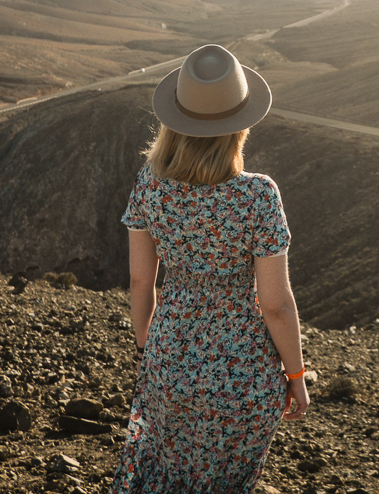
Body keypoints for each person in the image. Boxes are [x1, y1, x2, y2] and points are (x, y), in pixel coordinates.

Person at [109, 44, 309, 494]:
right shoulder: (259, 195)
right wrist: (296, 377)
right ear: (239, 126)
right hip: (245, 378)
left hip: (168, 362)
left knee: (166, 479)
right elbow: (275, 305)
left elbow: (142, 280)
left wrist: (152, 349)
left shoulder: (150, 182)